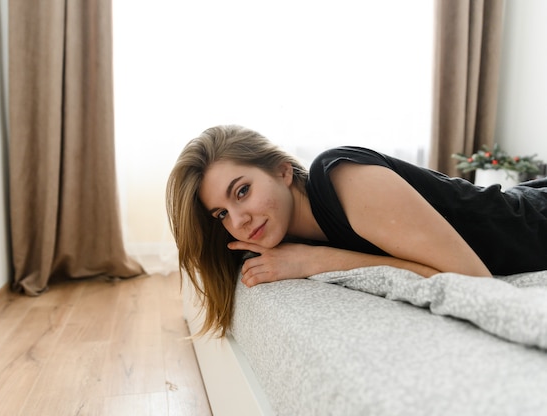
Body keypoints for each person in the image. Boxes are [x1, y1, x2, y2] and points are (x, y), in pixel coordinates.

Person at [166, 125, 547, 336]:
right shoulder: (289, 235)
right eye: (221, 215)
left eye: (242, 191)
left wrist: (317, 261)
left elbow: (472, 279)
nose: (239, 221)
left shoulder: (340, 176)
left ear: (283, 171)